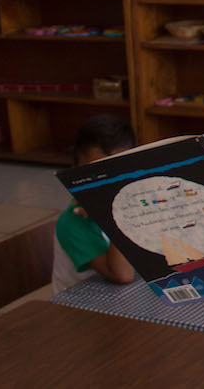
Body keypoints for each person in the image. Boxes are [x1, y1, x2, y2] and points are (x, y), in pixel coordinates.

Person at [51, 114, 137, 293]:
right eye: (94, 173)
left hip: (123, 300)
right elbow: (123, 275)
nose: (105, 183)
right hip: (80, 312)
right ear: (75, 173)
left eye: (115, 172)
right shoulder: (72, 222)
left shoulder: (136, 203)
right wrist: (112, 215)